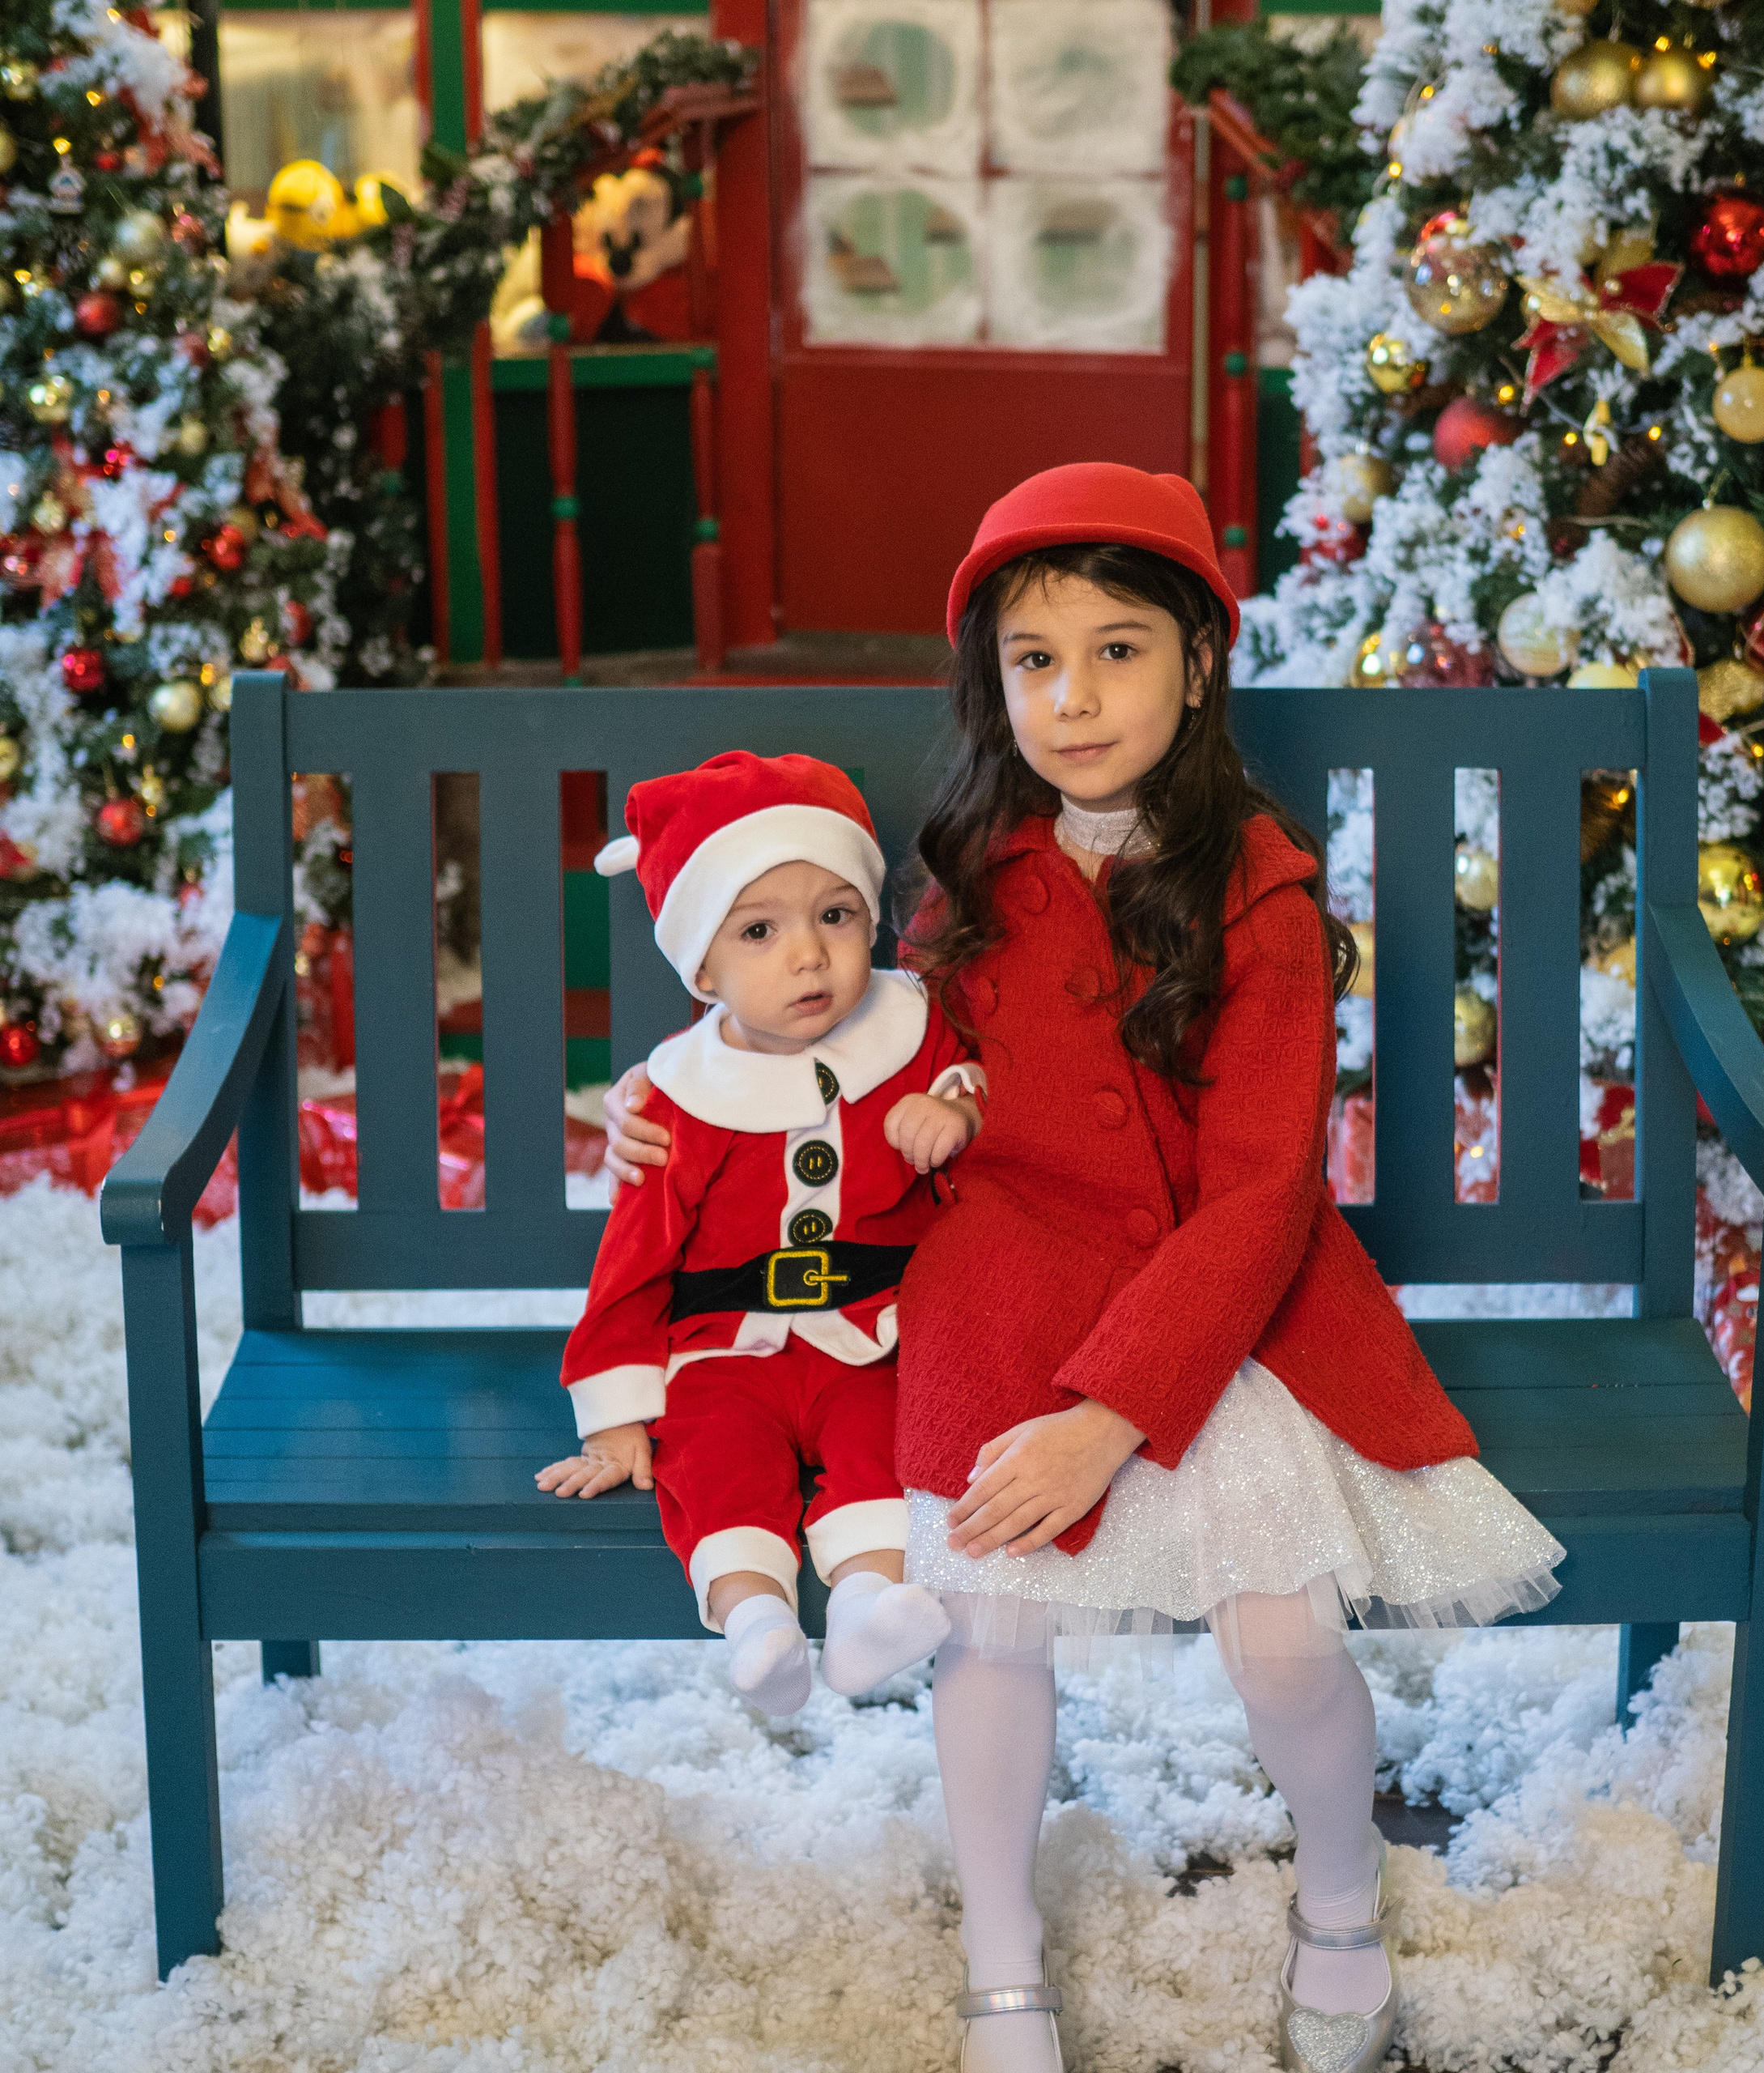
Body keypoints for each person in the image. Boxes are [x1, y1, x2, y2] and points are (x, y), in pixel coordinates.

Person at [598, 466, 1565, 2073]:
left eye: (1116, 648)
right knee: (986, 1614)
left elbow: (1261, 1195)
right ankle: (1002, 1967)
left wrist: (1109, 1415)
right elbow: (835, 1034)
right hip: (998, 1288)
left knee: (1278, 1635)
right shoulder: (971, 869)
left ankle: (1340, 1892)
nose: (1073, 693)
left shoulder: (1254, 886)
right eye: (1032, 659)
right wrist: (666, 1096)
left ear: (1196, 657)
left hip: (1218, 1309)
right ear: (990, 683)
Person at [539, 752, 980, 1716]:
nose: (809, 956)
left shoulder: (914, 1034)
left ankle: (867, 1607)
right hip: (725, 1347)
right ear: (704, 968)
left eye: (836, 915)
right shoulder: (681, 1097)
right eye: (759, 930)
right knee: (712, 1455)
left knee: (887, 1442)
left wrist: (959, 1109)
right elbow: (634, 1255)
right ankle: (756, 1624)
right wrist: (614, 1408)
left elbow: (982, 1088)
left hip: (873, 1334)